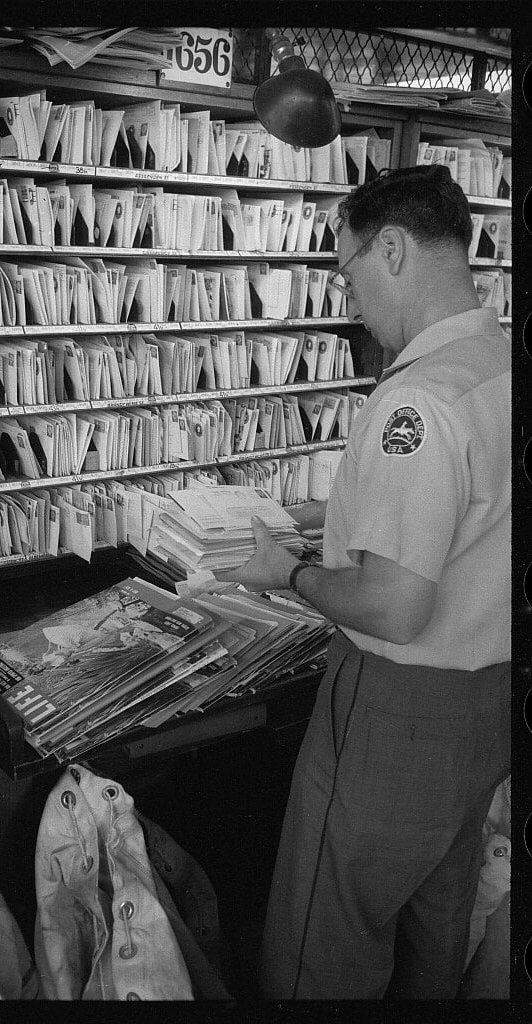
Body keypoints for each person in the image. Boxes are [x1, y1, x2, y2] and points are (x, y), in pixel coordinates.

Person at [218, 165, 511, 999]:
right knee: (432, 932)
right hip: (480, 716)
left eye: (345, 272)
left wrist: (291, 572)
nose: (347, 299)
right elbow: (469, 514)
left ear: (390, 249)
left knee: (324, 942)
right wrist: (328, 513)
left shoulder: (414, 400)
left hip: (393, 716)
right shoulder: (494, 364)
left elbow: (391, 607)